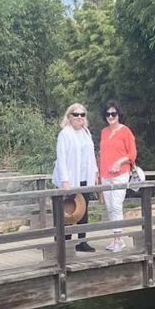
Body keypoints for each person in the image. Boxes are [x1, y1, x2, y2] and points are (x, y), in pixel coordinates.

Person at [52, 103, 99, 253]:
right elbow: (61, 159)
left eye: (82, 115)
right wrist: (65, 181)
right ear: (69, 116)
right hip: (71, 178)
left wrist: (96, 172)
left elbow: (91, 156)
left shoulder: (86, 133)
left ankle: (82, 241)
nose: (79, 118)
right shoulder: (65, 133)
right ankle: (64, 242)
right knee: (68, 210)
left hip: (85, 177)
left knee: (83, 209)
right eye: (76, 114)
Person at [99, 100, 137, 252]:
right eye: (108, 114)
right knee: (109, 207)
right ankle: (116, 238)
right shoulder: (104, 132)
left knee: (116, 205)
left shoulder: (126, 131)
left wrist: (120, 161)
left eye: (113, 113)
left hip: (121, 173)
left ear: (118, 114)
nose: (110, 116)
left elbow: (132, 154)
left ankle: (118, 239)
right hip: (105, 174)